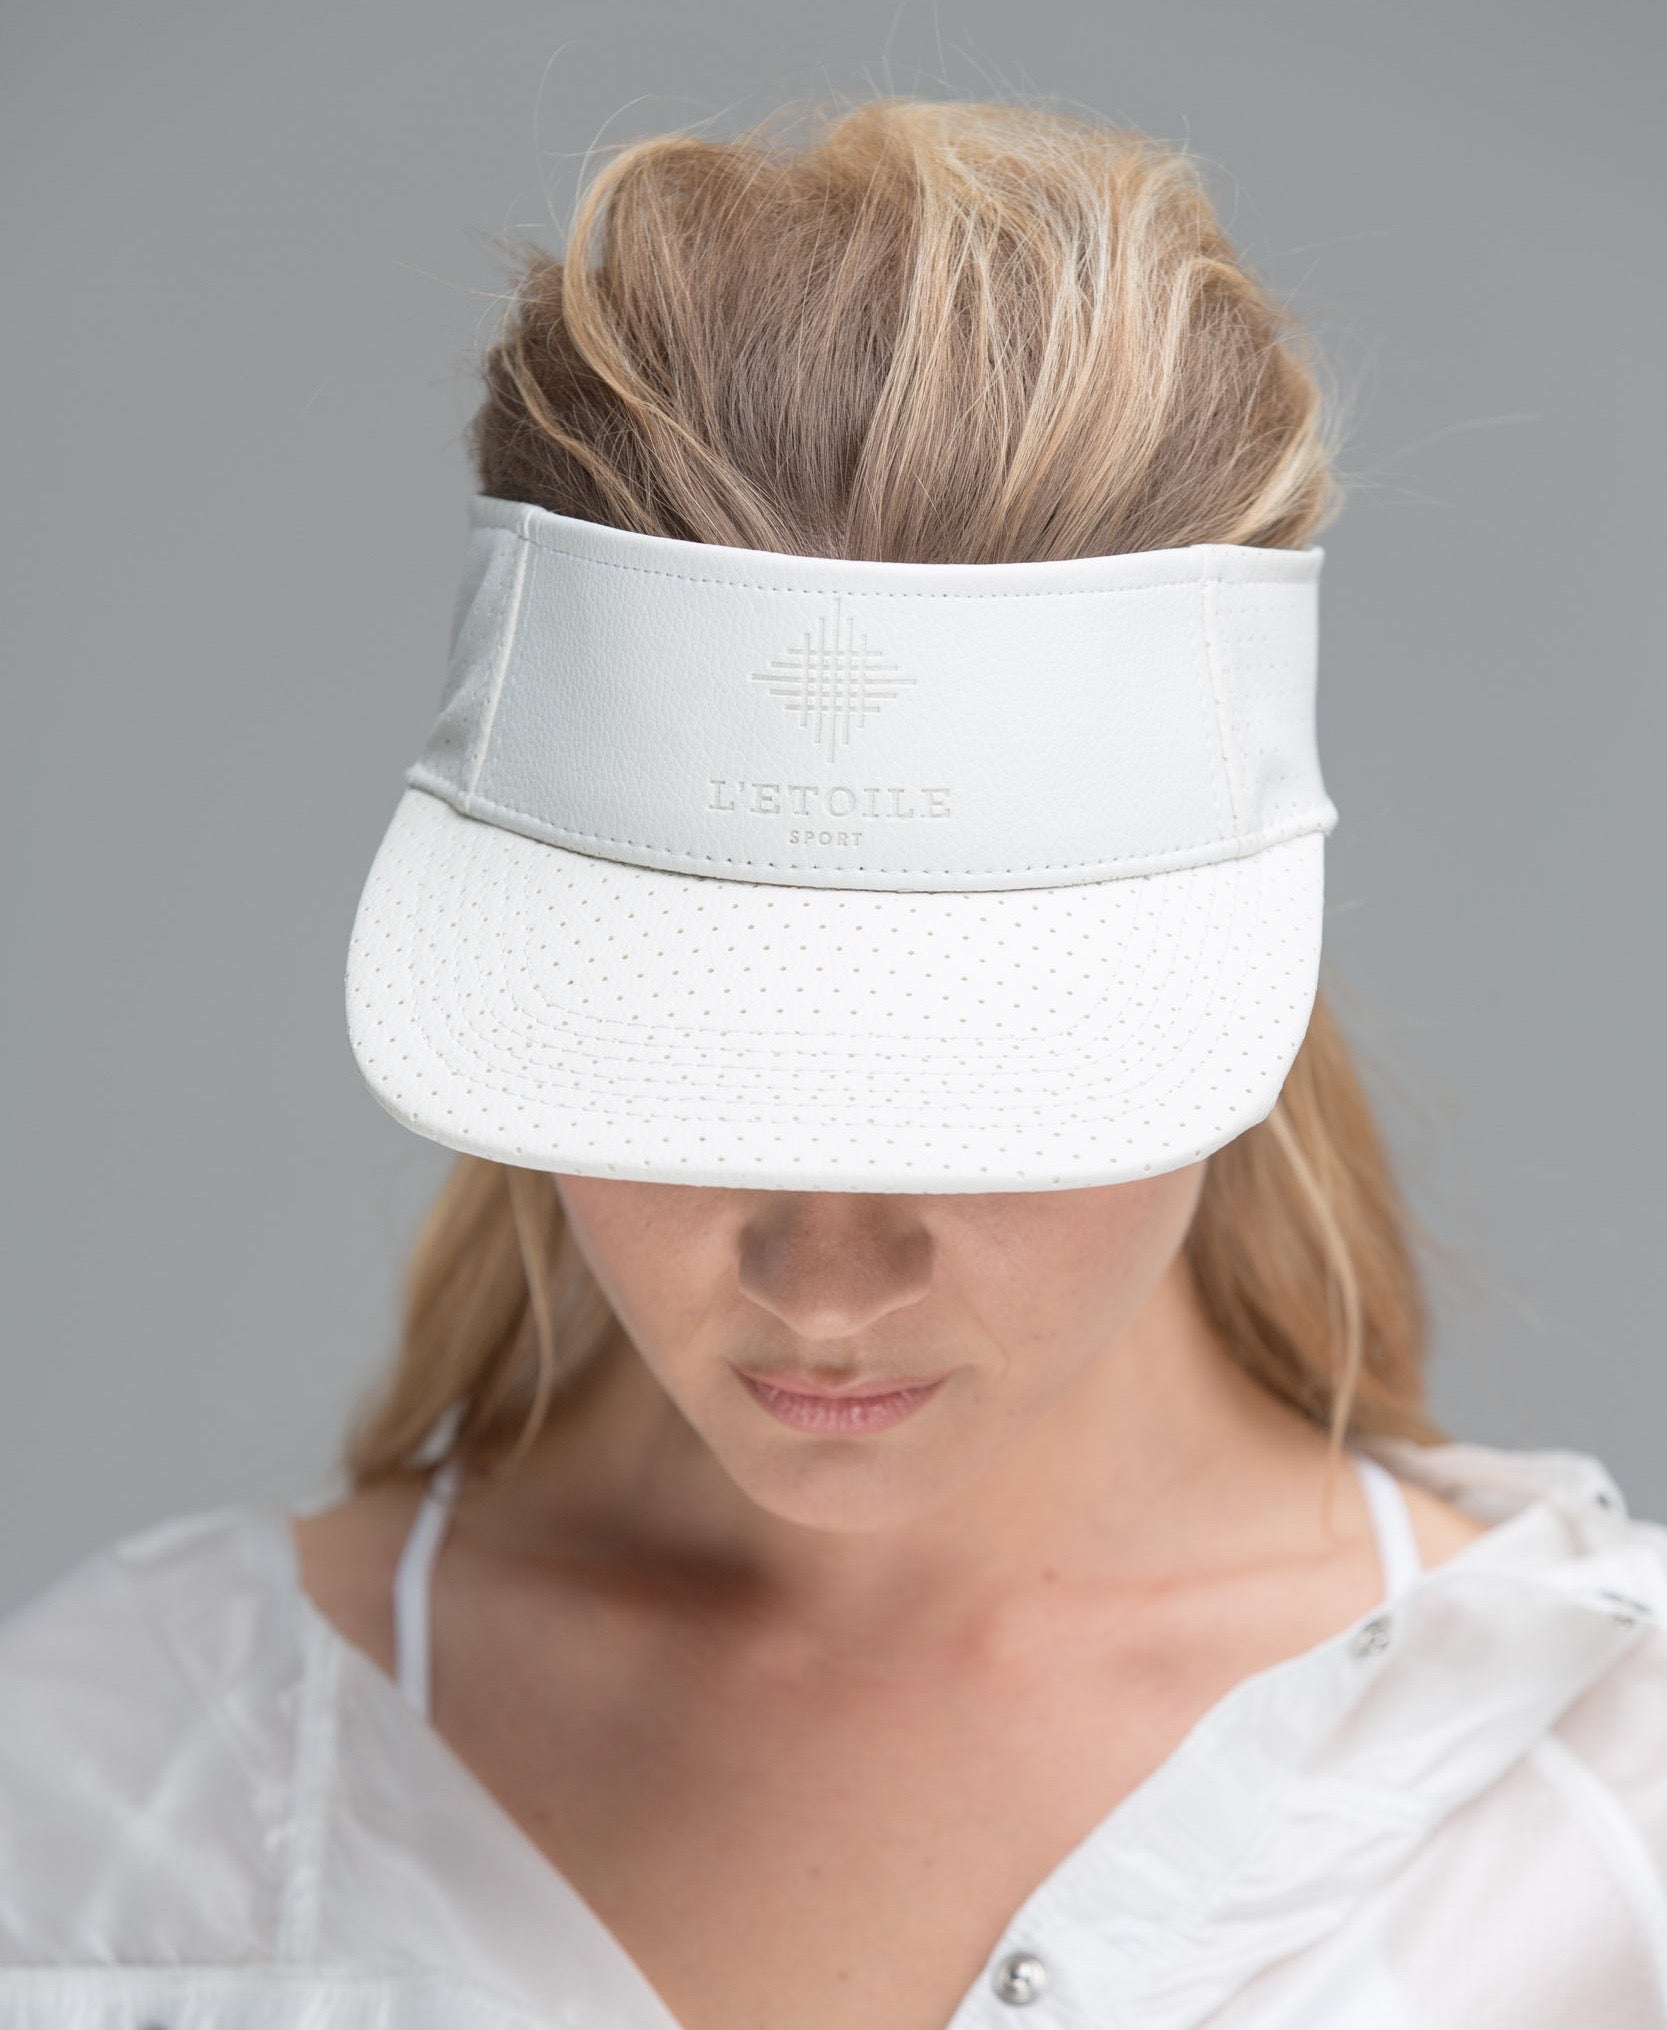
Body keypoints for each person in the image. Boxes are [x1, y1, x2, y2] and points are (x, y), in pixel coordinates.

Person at [2, 93, 1665, 2030]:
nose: (827, 1275)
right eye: (684, 1061)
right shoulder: (105, 1817)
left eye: (984, 1082)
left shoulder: (1605, 1815)